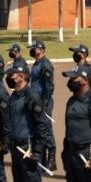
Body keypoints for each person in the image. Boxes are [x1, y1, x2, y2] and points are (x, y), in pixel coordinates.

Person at [5, 65, 51, 182]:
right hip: (17, 148)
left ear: (23, 76)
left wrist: (38, 152)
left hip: (28, 148)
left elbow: (42, 126)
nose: (10, 77)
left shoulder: (31, 97)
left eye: (13, 75)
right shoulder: (14, 96)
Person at [28, 40, 57, 171]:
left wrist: (45, 104)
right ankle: (43, 157)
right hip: (35, 100)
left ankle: (52, 158)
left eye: (35, 48)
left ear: (42, 50)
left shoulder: (45, 64)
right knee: (38, 128)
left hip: (43, 101)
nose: (33, 50)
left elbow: (49, 86)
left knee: (46, 128)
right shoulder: (36, 63)